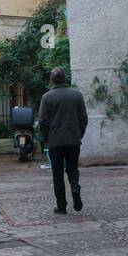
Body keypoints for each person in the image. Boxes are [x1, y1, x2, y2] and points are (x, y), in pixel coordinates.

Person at [37, 67, 88, 214]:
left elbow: (43, 121)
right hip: (73, 139)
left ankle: (61, 206)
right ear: (65, 78)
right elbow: (83, 118)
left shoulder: (47, 97)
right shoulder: (77, 95)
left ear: (52, 80)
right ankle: (75, 187)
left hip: (55, 141)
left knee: (57, 173)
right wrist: (79, 134)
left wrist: (47, 138)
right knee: (72, 168)